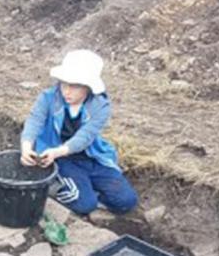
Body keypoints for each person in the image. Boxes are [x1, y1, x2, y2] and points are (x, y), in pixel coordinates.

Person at [20, 49, 138, 216]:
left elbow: (85, 137)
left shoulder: (100, 105)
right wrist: (26, 148)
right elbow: (34, 121)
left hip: (90, 156)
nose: (67, 91)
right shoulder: (48, 98)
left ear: (88, 87)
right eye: (64, 84)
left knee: (126, 201)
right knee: (84, 205)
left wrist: (58, 151)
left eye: (75, 86)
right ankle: (56, 186)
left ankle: (85, 189)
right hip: (60, 158)